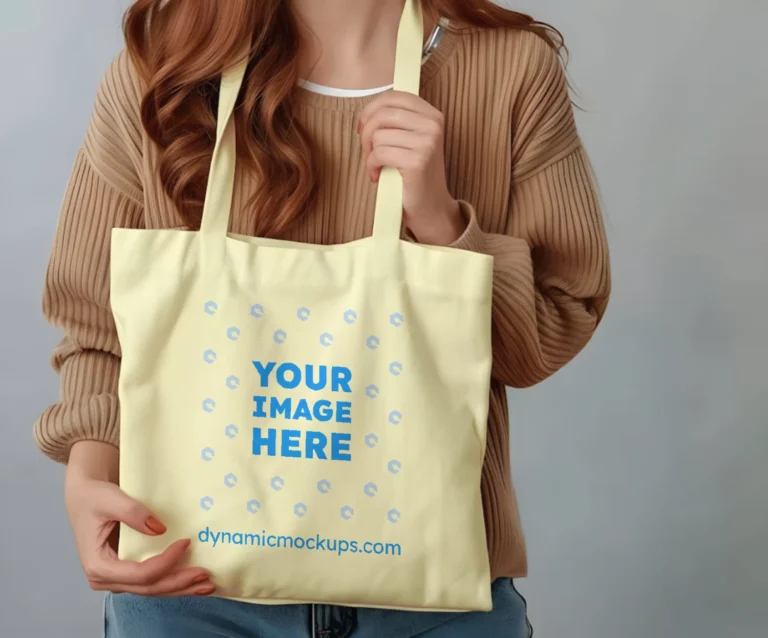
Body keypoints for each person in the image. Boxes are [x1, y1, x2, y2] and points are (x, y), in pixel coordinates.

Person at [35, 0, 610, 635]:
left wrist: (444, 224)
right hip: (189, 588)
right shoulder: (167, 70)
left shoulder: (510, 69)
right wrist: (88, 475)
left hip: (430, 600)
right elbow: (96, 329)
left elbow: (550, 330)